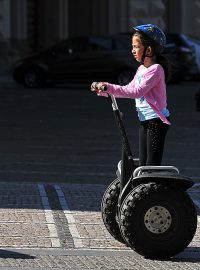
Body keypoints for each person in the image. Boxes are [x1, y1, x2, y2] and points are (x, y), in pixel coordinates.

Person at [91, 24, 171, 166]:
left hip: (156, 122)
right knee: (144, 163)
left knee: (151, 164)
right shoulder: (141, 69)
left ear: (149, 49)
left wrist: (108, 86)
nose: (133, 50)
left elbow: (136, 92)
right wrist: (105, 91)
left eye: (136, 46)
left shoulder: (155, 70)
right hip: (145, 120)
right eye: (132, 47)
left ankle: (154, 188)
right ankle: (144, 187)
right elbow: (129, 88)